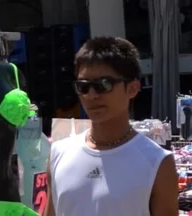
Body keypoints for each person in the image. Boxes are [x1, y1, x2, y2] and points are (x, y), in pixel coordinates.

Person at [46, 37, 178, 216]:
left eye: (104, 85)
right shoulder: (58, 153)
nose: (92, 95)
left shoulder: (156, 162)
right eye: (83, 87)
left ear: (132, 88)